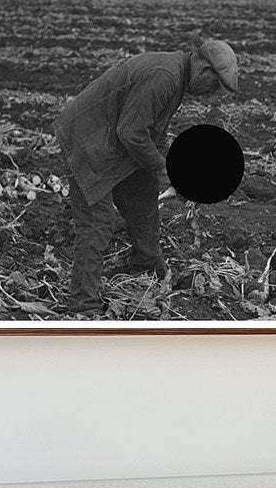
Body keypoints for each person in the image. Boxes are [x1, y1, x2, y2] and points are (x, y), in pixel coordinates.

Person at [53, 39, 239, 314]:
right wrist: (163, 169)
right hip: (89, 140)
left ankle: (146, 263)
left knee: (143, 194)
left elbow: (153, 131)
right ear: (203, 70)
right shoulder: (164, 76)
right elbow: (131, 132)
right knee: (97, 222)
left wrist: (170, 170)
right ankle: (83, 304)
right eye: (213, 87)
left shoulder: (176, 76)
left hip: (112, 139)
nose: (210, 95)